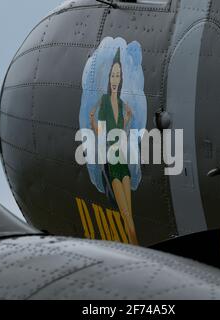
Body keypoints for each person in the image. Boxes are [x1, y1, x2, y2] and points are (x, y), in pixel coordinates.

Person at [89, 48, 138, 245]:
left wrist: (127, 119)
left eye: (118, 75)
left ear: (121, 78)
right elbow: (102, 133)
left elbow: (120, 128)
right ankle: (137, 251)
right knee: (126, 215)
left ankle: (135, 249)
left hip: (123, 164)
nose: (115, 79)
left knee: (130, 216)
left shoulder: (121, 102)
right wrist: (92, 122)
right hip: (113, 166)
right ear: (109, 78)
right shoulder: (104, 102)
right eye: (113, 75)